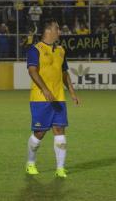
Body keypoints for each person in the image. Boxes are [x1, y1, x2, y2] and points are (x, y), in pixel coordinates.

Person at [25, 20, 79, 178]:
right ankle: (30, 163)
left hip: (58, 98)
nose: (59, 32)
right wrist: (45, 89)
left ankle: (60, 168)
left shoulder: (61, 50)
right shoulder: (35, 49)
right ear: (48, 31)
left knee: (60, 131)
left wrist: (72, 93)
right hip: (40, 99)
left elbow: (64, 73)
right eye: (57, 29)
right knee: (39, 133)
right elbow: (32, 71)